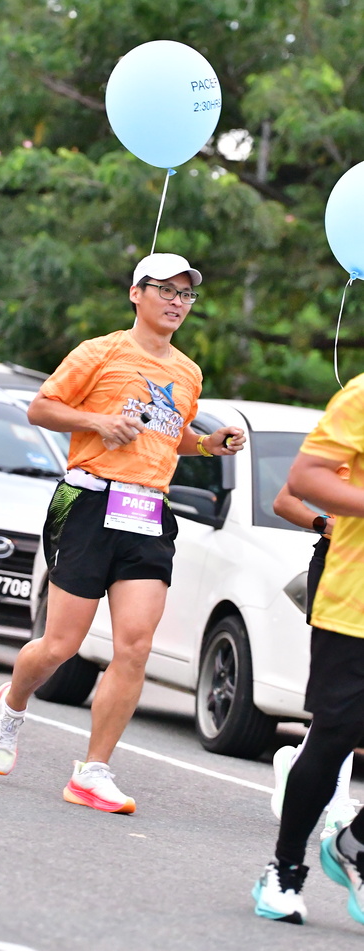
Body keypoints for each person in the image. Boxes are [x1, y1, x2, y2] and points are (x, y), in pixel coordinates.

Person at [0, 252, 245, 813]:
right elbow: (41, 408)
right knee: (61, 646)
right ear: (135, 294)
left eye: (185, 294)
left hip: (148, 512)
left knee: (135, 647)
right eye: (165, 290)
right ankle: (14, 703)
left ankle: (93, 771)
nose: (177, 302)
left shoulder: (188, 371)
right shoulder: (100, 351)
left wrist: (207, 444)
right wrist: (96, 421)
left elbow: (168, 435)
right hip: (88, 503)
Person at [253, 374, 364, 927]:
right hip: (355, 604)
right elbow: (303, 480)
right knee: (335, 737)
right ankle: (284, 869)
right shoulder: (361, 396)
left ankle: (355, 845)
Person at [270, 478, 359, 842]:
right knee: (344, 692)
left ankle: (297, 764)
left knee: (351, 698)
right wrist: (325, 524)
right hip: (340, 571)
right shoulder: (343, 451)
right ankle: (337, 805)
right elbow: (284, 501)